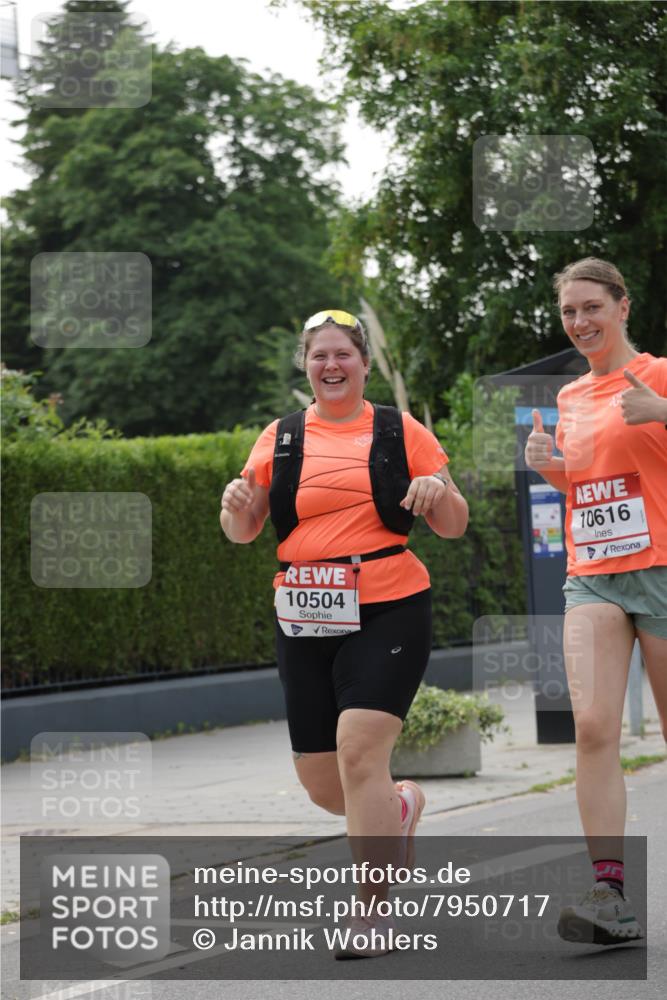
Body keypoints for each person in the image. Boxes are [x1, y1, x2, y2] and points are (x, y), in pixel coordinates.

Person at [220, 309, 468, 958]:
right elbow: (243, 529)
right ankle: (400, 807)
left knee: (359, 752)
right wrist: (236, 513)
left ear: (361, 362)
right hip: (302, 614)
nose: (331, 365)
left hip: (388, 604)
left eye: (343, 355)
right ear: (305, 365)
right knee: (325, 786)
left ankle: (373, 914)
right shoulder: (279, 437)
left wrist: (434, 488)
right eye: (318, 356)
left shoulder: (397, 428)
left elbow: (453, 523)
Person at [525, 258, 667, 946]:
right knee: (591, 729)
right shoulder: (571, 397)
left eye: (591, 308)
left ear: (622, 307)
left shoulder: (661, 375)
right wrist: (549, 464)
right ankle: (608, 893)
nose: (579, 322)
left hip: (663, 570)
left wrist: (663, 412)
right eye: (567, 313)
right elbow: (591, 488)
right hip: (593, 574)